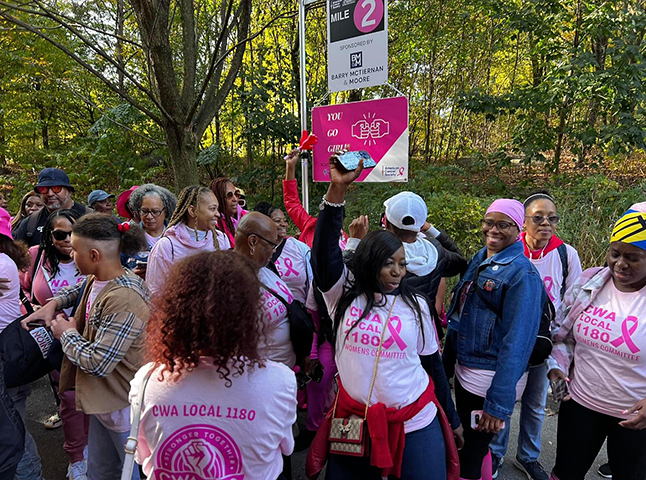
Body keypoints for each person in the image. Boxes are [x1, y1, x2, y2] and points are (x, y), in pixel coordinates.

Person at [307, 156, 460, 480]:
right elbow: (324, 255)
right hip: (353, 421)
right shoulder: (343, 295)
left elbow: (433, 366)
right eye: (388, 263)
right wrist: (337, 189)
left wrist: (453, 418)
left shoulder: (416, 306)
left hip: (415, 423)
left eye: (402, 264)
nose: (396, 272)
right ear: (368, 261)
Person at [129, 251, 297, 480]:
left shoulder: (146, 381)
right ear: (247, 316)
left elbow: (142, 455)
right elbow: (285, 447)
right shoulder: (280, 381)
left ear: (175, 313)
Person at [20, 214, 150, 480]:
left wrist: (65, 333)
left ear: (93, 255)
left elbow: (98, 363)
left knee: (128, 472)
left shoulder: (125, 299)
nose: (71, 254)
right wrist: (52, 304)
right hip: (103, 402)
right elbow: (78, 289)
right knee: (101, 470)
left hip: (122, 409)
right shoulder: (99, 278)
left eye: (75, 250)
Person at [444, 198, 545, 480]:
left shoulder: (523, 275)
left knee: (470, 454)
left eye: (503, 225)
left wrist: (497, 403)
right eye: (489, 222)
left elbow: (518, 343)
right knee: (474, 448)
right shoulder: (482, 258)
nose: (493, 230)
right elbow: (460, 317)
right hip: (467, 369)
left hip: (488, 380)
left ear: (519, 228)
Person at [547, 202, 646, 480]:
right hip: (579, 404)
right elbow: (562, 335)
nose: (620, 263)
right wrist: (556, 369)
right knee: (565, 473)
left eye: (633, 257)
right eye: (615, 253)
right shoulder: (589, 282)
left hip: (635, 420)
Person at [488, 192, 583, 480]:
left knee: (536, 402)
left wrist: (565, 347)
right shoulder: (510, 250)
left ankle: (528, 457)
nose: (546, 224)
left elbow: (574, 300)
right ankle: (495, 453)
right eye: (538, 218)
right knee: (504, 397)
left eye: (552, 218)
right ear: (523, 222)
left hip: (546, 343)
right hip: (510, 339)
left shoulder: (566, 254)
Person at [19, 209, 89, 479]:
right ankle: (77, 458)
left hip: (88, 336)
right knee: (70, 399)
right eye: (60, 234)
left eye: (73, 233)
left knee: (95, 399)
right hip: (54, 341)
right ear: (49, 235)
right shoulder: (36, 256)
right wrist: (33, 308)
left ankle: (94, 450)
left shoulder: (90, 255)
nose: (67, 239)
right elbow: (22, 289)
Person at [345, 191, 467, 340]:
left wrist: (354, 242)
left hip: (387, 332)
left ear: (386, 222)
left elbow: (340, 278)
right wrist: (432, 230)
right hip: (424, 331)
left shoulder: (377, 252)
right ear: (420, 225)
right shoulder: (434, 250)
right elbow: (460, 262)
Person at [0, 207, 45, 480]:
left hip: (7, 356)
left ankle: (32, 476)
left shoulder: (1, 263)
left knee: (11, 430)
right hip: (9, 353)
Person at [234, 212, 296, 369]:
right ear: (253, 241)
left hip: (285, 372)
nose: (274, 251)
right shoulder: (231, 283)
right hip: (258, 375)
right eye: (272, 245)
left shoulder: (266, 267)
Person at [146, 185, 230, 297]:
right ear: (193, 211)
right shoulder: (166, 246)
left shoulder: (221, 239)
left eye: (217, 209)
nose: (217, 214)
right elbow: (155, 291)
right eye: (212, 209)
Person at [283, 149, 348, 248]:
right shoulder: (311, 226)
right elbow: (292, 202)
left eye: (336, 217)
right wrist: (290, 166)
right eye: (327, 214)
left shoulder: (346, 240)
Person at [13, 168, 90, 246]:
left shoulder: (89, 217)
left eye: (56, 188)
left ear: (69, 191)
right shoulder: (31, 223)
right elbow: (17, 251)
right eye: (44, 189)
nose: (50, 194)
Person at [122, 184, 177, 278]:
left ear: (166, 211)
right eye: (144, 211)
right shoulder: (128, 238)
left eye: (155, 212)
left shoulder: (177, 236)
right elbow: (115, 271)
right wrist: (130, 275)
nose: (149, 216)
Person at [210, 177, 247, 247]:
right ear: (218, 198)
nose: (235, 199)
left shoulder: (248, 217)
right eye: (229, 195)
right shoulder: (213, 225)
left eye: (236, 194)